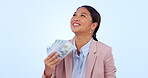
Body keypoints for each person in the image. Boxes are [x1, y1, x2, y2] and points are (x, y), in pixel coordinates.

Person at [42, 5, 116, 78]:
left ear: (93, 26)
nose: (75, 18)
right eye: (74, 15)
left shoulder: (105, 51)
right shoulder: (60, 49)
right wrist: (48, 73)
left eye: (82, 16)